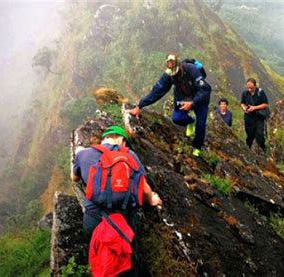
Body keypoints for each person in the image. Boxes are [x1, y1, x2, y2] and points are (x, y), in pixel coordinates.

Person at [71, 125, 161, 276]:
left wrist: (78, 155)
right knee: (127, 263)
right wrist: (152, 199)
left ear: (104, 139)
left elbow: (74, 178)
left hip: (94, 219)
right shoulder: (130, 155)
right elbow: (143, 186)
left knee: (102, 261)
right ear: (122, 140)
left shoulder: (84, 154)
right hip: (123, 220)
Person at [128, 54, 212, 157]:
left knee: (201, 125)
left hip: (199, 98)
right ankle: (190, 122)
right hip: (183, 97)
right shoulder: (169, 75)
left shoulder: (191, 69)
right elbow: (157, 91)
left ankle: (197, 147)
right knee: (177, 118)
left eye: (176, 73)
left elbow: (205, 89)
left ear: (180, 66)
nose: (174, 76)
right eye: (172, 74)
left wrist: (193, 103)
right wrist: (139, 106)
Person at [240, 78, 269, 152]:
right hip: (248, 118)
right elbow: (242, 102)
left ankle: (262, 151)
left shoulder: (260, 92)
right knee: (249, 135)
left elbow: (265, 104)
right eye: (248, 87)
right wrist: (244, 108)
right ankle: (249, 150)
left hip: (258, 117)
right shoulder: (245, 93)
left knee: (260, 135)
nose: (249, 89)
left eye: (251, 88)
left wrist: (254, 108)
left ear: (255, 86)